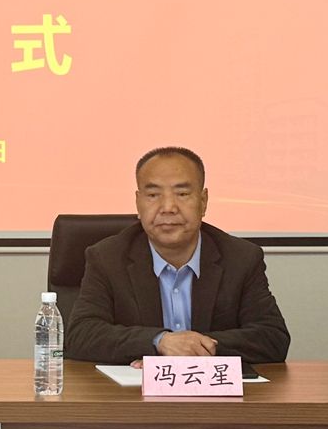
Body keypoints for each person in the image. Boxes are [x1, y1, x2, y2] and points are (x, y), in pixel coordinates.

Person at [65, 146, 290, 365]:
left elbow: (272, 338)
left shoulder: (240, 258)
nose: (168, 207)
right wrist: (159, 342)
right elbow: (80, 335)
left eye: (182, 194)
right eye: (153, 195)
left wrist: (192, 348)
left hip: (213, 390)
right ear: (138, 203)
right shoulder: (107, 257)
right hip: (137, 390)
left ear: (203, 201)